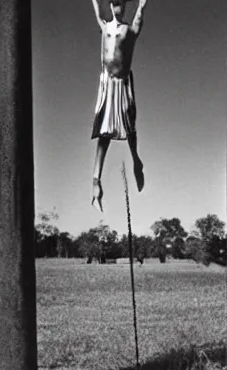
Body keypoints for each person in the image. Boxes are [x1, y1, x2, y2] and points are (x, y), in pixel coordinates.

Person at [90, 0, 148, 212]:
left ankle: (136, 161)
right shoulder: (105, 26)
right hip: (107, 81)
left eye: (120, 4)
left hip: (122, 81)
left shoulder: (129, 30)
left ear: (123, 7)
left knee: (128, 123)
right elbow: (96, 7)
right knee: (104, 132)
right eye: (114, 3)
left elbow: (140, 15)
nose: (117, 7)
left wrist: (142, 5)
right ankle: (96, 180)